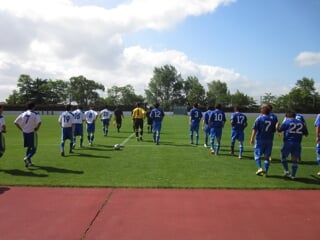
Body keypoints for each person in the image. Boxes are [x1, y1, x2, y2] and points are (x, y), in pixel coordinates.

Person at [277, 111, 308, 179]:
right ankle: (293, 175)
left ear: (287, 116)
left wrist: (277, 126)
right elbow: (306, 133)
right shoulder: (301, 123)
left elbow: (280, 130)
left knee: (283, 157)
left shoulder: (287, 121)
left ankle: (287, 171)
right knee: (295, 159)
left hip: (288, 142)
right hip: (297, 143)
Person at [250, 104, 277, 176]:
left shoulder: (259, 118)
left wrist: (252, 138)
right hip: (269, 140)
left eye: (261, 108)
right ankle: (266, 172)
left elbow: (254, 129)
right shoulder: (272, 119)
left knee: (257, 155)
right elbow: (274, 130)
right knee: (267, 157)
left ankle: (259, 168)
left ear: (263, 111)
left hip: (260, 139)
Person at [14, 101, 41, 167]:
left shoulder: (23, 113)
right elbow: (39, 122)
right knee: (34, 149)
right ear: (33, 106)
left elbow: (15, 122)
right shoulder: (35, 114)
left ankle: (28, 162)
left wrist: (21, 129)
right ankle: (27, 158)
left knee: (29, 147)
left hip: (25, 133)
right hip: (32, 132)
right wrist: (37, 128)